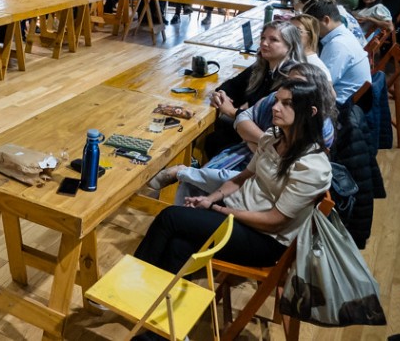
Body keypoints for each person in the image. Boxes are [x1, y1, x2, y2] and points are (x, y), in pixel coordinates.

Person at [134, 79, 332, 275]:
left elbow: (275, 221)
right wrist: (209, 199)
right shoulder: (273, 137)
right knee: (178, 246)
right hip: (236, 215)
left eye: (287, 103)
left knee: (170, 217)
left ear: (310, 112)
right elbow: (242, 178)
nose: (276, 108)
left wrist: (217, 208)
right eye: (277, 100)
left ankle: (125, 288)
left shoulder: (312, 167)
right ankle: (151, 302)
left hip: (265, 239)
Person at [151, 63, 335, 203]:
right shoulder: (275, 97)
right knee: (198, 180)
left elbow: (277, 163)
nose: (290, 88)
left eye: (298, 85)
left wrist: (254, 140)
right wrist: (260, 142)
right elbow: (243, 118)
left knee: (205, 178)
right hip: (253, 162)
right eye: (288, 82)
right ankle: (185, 212)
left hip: (269, 188)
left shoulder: (321, 128)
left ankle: (182, 174)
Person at [205, 21, 305, 158]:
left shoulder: (293, 77)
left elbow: (269, 118)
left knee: (216, 139)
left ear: (290, 46)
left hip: (271, 144)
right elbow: (233, 86)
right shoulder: (262, 67)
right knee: (215, 137)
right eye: (263, 38)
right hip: (251, 132)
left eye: (273, 40)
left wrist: (231, 111)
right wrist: (221, 94)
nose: (264, 43)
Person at [301, 0, 370, 106]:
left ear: (326, 20)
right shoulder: (342, 35)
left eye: (313, 25)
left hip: (342, 106)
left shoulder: (338, 45)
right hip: (344, 98)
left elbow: (320, 83)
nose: (311, 30)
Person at [289, 13, 332, 79]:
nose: (291, 34)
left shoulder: (316, 67)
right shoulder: (291, 58)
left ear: (311, 35)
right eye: (289, 30)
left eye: (297, 31)